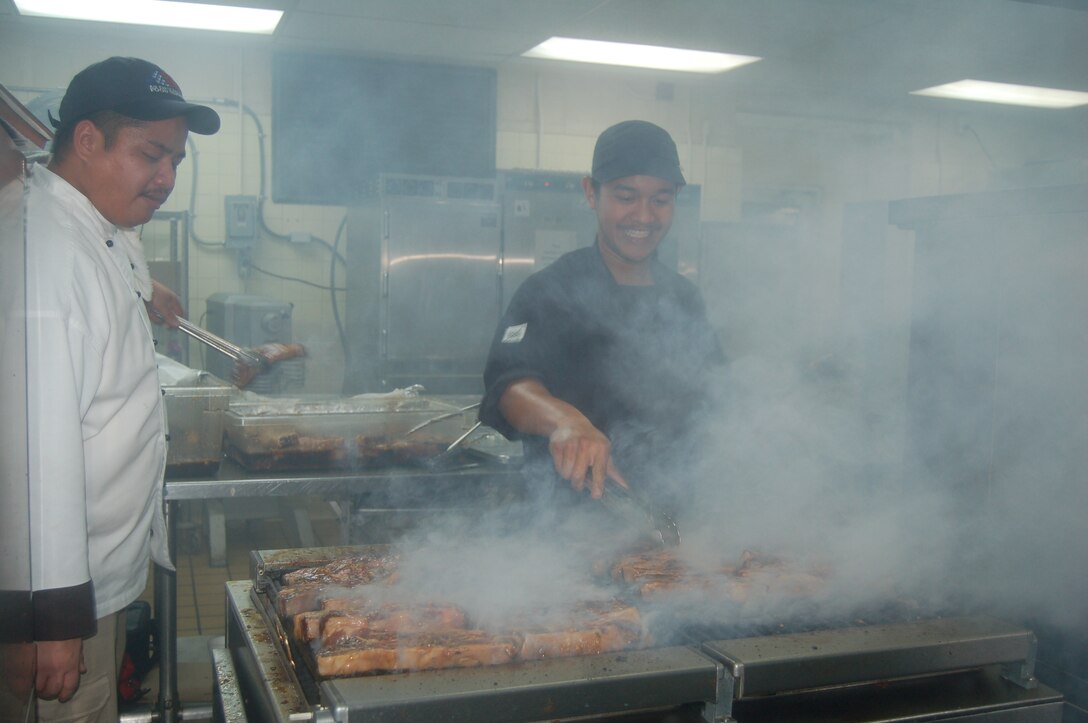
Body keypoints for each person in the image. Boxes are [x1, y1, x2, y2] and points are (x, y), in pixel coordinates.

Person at [24, 56, 219, 721]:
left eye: (176, 161)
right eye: (150, 155)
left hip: (93, 575)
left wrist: (147, 289)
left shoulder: (94, 226)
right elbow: (35, 450)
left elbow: (112, 262)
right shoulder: (46, 257)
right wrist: (53, 615)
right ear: (86, 141)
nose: (165, 178)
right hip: (59, 595)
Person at [479, 120, 724, 514]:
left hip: (674, 524)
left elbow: (715, 396)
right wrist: (566, 421)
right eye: (626, 196)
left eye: (660, 199)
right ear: (591, 192)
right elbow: (509, 386)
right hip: (570, 527)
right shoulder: (549, 290)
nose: (644, 215)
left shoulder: (684, 298)